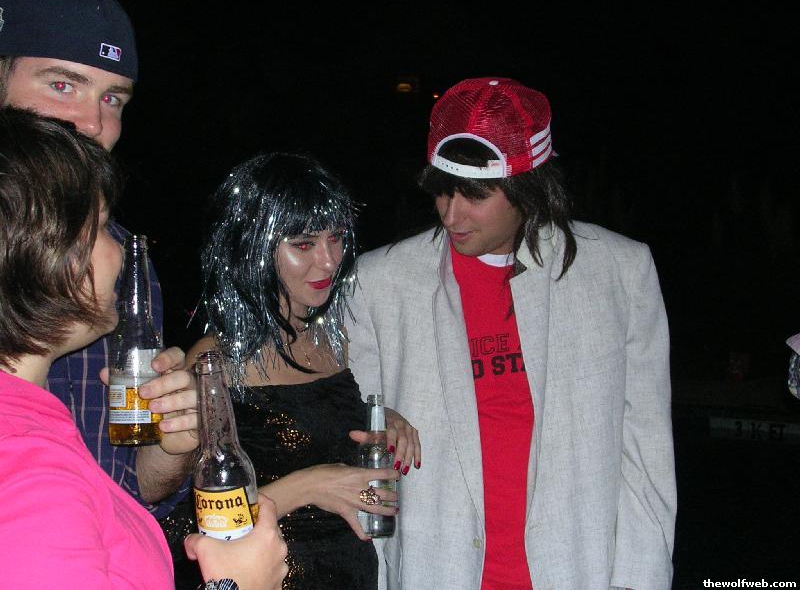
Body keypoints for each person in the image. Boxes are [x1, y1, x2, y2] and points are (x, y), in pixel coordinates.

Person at [346, 77, 677, 590]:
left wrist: (640, 580)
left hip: (576, 570)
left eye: (475, 194)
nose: (450, 213)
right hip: (435, 570)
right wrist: (371, 418)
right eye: (442, 190)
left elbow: (645, 449)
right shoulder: (380, 281)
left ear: (529, 187)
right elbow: (344, 421)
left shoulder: (619, 272)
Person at [0, 106, 288, 589]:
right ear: (42, 249)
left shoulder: (30, 418)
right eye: (101, 227)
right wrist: (238, 584)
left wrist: (168, 446)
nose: (118, 249)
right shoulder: (26, 461)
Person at [161, 152, 420, 590]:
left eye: (337, 238)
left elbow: (317, 434)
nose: (329, 260)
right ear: (253, 248)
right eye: (303, 244)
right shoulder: (214, 361)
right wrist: (309, 486)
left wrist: (378, 419)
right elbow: (184, 528)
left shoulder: (332, 340)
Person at [0, 0, 198, 518]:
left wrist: (171, 442)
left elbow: (129, 488)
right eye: (62, 85)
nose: (92, 123)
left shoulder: (120, 260)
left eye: (113, 99)